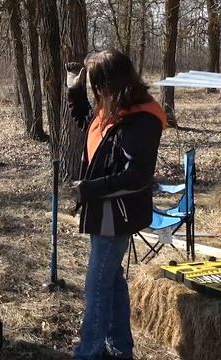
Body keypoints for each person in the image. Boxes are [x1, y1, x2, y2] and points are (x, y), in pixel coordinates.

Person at [65, 49, 167, 360]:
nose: (96, 93)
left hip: (117, 213)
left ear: (113, 83)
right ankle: (119, 348)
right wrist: (73, 90)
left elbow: (136, 175)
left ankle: (90, 352)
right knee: (111, 280)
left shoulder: (142, 119)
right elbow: (89, 123)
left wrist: (89, 189)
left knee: (96, 285)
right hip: (104, 210)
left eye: (97, 86)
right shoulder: (116, 108)